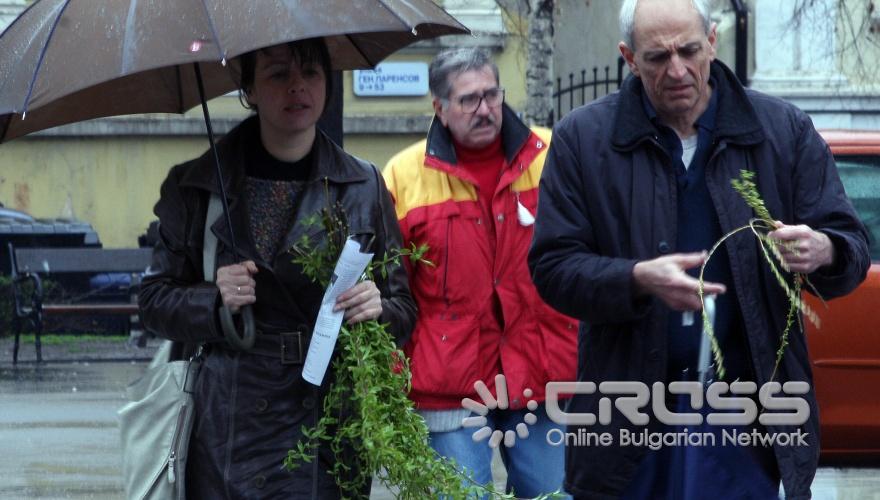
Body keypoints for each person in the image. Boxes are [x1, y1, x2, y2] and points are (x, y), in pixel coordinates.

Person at [528, 0, 871, 498]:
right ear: (628, 57)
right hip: (627, 418)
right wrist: (636, 279)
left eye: (689, 50)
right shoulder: (584, 139)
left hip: (748, 419)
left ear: (712, 41)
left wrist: (825, 250)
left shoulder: (781, 130)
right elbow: (553, 267)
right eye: (656, 58)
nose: (677, 70)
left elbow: (851, 245)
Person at [139, 38, 416, 498]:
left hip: (327, 421)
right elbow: (153, 303)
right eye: (278, 74)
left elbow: (403, 307)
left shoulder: (361, 183)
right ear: (246, 86)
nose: (297, 88)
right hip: (229, 426)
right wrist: (213, 298)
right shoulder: (197, 185)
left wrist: (379, 308)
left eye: (311, 73)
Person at [382, 47, 577, 497]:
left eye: (492, 94)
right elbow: (394, 287)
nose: (485, 108)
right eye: (469, 99)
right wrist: (394, 380)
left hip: (542, 370)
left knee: (556, 494)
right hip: (449, 380)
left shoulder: (553, 156)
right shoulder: (404, 175)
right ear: (440, 109)